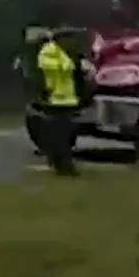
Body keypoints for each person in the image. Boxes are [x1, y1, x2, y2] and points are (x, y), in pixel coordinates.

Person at [28, 29, 85, 177]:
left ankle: (60, 163)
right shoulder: (50, 53)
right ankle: (64, 165)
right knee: (61, 135)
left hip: (67, 100)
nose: (74, 42)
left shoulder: (65, 53)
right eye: (71, 38)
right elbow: (54, 73)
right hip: (55, 100)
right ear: (61, 39)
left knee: (64, 134)